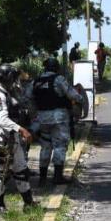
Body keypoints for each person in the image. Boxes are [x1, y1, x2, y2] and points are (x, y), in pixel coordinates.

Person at [0, 64, 39, 214]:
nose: (15, 81)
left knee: (21, 170)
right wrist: (21, 129)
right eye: (13, 78)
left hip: (11, 139)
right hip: (1, 139)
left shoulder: (6, 93)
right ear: (7, 78)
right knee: (2, 172)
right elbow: (2, 120)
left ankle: (29, 203)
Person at [33, 57, 83, 185]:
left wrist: (35, 111)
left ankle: (42, 178)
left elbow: (26, 98)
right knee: (60, 146)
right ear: (56, 67)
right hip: (58, 119)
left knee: (45, 146)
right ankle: (57, 177)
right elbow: (73, 95)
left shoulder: (36, 81)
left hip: (42, 119)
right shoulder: (58, 79)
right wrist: (80, 99)